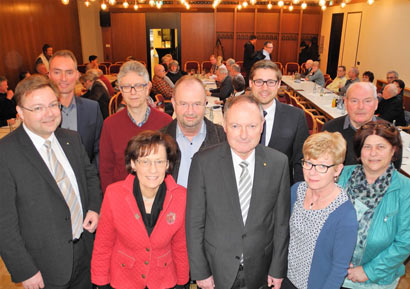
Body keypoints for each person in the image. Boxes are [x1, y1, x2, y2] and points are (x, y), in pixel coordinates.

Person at [0, 74, 102, 289]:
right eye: (37, 108)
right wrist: (25, 270)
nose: (48, 114)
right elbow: (4, 223)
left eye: (52, 105)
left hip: (85, 253)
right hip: (44, 267)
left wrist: (94, 207)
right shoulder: (5, 153)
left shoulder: (71, 139)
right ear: (19, 112)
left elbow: (90, 176)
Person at [186, 94, 290, 289]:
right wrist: (200, 271)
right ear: (224, 125)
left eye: (251, 126)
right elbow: (194, 223)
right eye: (235, 126)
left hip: (260, 268)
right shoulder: (203, 163)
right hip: (216, 270)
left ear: (262, 124)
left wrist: (277, 268)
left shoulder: (279, 163)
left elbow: (281, 222)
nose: (243, 134)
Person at [92, 130, 189, 289]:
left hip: (164, 281)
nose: (153, 170)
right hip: (123, 280)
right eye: (145, 162)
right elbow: (103, 245)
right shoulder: (114, 194)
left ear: (167, 165)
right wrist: (101, 284)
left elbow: (181, 247)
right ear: (133, 164)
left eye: (159, 162)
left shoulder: (180, 197)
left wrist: (182, 282)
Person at [338, 120, 410, 289]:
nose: (373, 153)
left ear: (393, 150)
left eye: (381, 147)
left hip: (376, 281)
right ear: (359, 150)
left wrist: (369, 271)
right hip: (334, 272)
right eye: (367, 146)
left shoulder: (406, 189)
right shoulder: (341, 176)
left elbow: (405, 242)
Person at [285, 131, 358, 289]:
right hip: (285, 280)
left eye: (322, 166)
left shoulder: (345, 214)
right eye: (308, 163)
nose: (312, 172)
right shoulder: (296, 191)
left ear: (337, 170)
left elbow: (339, 269)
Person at [99, 61, 172, 192]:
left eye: (138, 86)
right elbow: (105, 170)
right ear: (120, 90)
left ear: (148, 87)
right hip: (122, 198)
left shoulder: (166, 122)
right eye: (126, 87)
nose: (133, 92)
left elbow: (170, 166)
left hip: (158, 198)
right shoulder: (110, 125)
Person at [249, 60, 309, 183]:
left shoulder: (296, 117)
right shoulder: (238, 114)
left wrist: (298, 194)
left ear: (279, 84)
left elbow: (301, 161)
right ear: (251, 83)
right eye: (259, 81)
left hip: (281, 192)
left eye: (271, 82)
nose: (264, 88)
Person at [162, 76, 226, 187]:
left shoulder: (224, 139)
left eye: (196, 104)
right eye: (184, 104)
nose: (190, 111)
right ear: (173, 103)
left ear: (205, 103)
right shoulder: (158, 141)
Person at [322, 82, 401, 169]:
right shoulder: (329, 130)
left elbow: (394, 173)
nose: (360, 106)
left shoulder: (390, 133)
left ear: (376, 104)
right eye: (354, 101)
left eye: (367, 101)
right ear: (345, 103)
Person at [49, 50, 103, 167]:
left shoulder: (92, 109)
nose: (63, 78)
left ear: (77, 75)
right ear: (49, 75)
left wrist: (90, 177)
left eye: (69, 72)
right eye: (57, 72)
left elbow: (99, 150)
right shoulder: (40, 114)